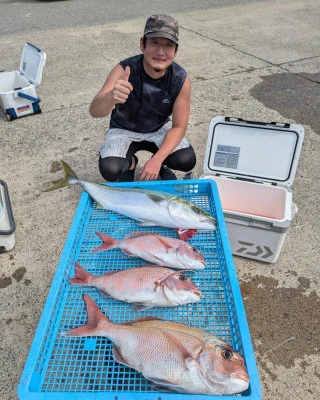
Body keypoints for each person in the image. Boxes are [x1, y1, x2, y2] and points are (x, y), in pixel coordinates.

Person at [89, 14, 196, 182]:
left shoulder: (180, 79)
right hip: (123, 128)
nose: (160, 52)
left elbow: (179, 127)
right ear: (142, 44)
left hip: (159, 127)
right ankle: (130, 163)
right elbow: (95, 111)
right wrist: (111, 97)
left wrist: (157, 159)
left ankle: (163, 165)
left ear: (175, 51)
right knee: (110, 169)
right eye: (154, 43)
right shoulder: (124, 70)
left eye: (168, 45)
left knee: (185, 159)